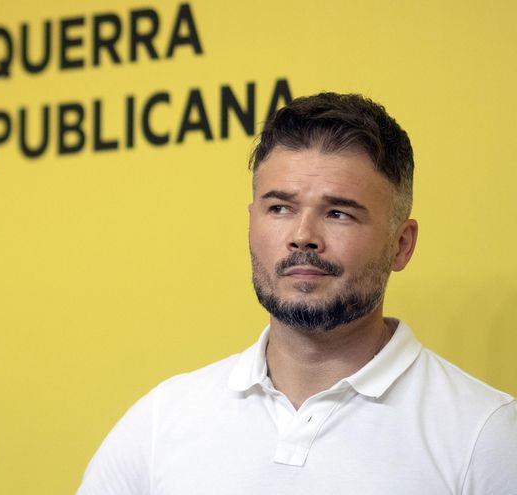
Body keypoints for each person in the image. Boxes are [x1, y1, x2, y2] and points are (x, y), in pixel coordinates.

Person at [76, 93, 517, 494]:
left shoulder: (487, 436)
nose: (302, 236)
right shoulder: (162, 421)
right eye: (280, 208)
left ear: (402, 244)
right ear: (251, 222)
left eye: (339, 213)